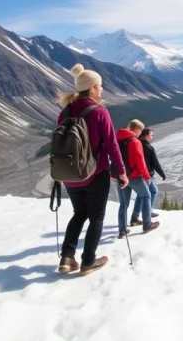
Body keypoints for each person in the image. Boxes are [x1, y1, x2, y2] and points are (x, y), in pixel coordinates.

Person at [55, 64, 128, 275]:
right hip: (96, 173)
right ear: (94, 87)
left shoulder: (65, 111)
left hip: (70, 173)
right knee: (96, 217)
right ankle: (88, 261)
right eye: (100, 86)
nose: (102, 89)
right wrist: (121, 172)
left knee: (79, 213)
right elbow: (111, 145)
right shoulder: (99, 112)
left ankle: (67, 258)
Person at [116, 119, 160, 237]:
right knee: (146, 196)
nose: (141, 133)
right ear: (137, 129)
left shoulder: (118, 139)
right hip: (135, 177)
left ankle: (122, 230)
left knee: (123, 204)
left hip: (121, 176)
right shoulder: (135, 142)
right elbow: (140, 162)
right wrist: (146, 176)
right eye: (140, 130)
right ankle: (147, 224)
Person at [129, 128, 166, 226]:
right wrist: (162, 173)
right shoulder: (148, 147)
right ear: (146, 135)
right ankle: (147, 213)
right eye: (151, 135)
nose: (152, 137)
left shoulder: (137, 143)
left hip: (137, 173)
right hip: (147, 174)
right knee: (153, 191)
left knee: (142, 195)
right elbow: (155, 162)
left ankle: (135, 217)